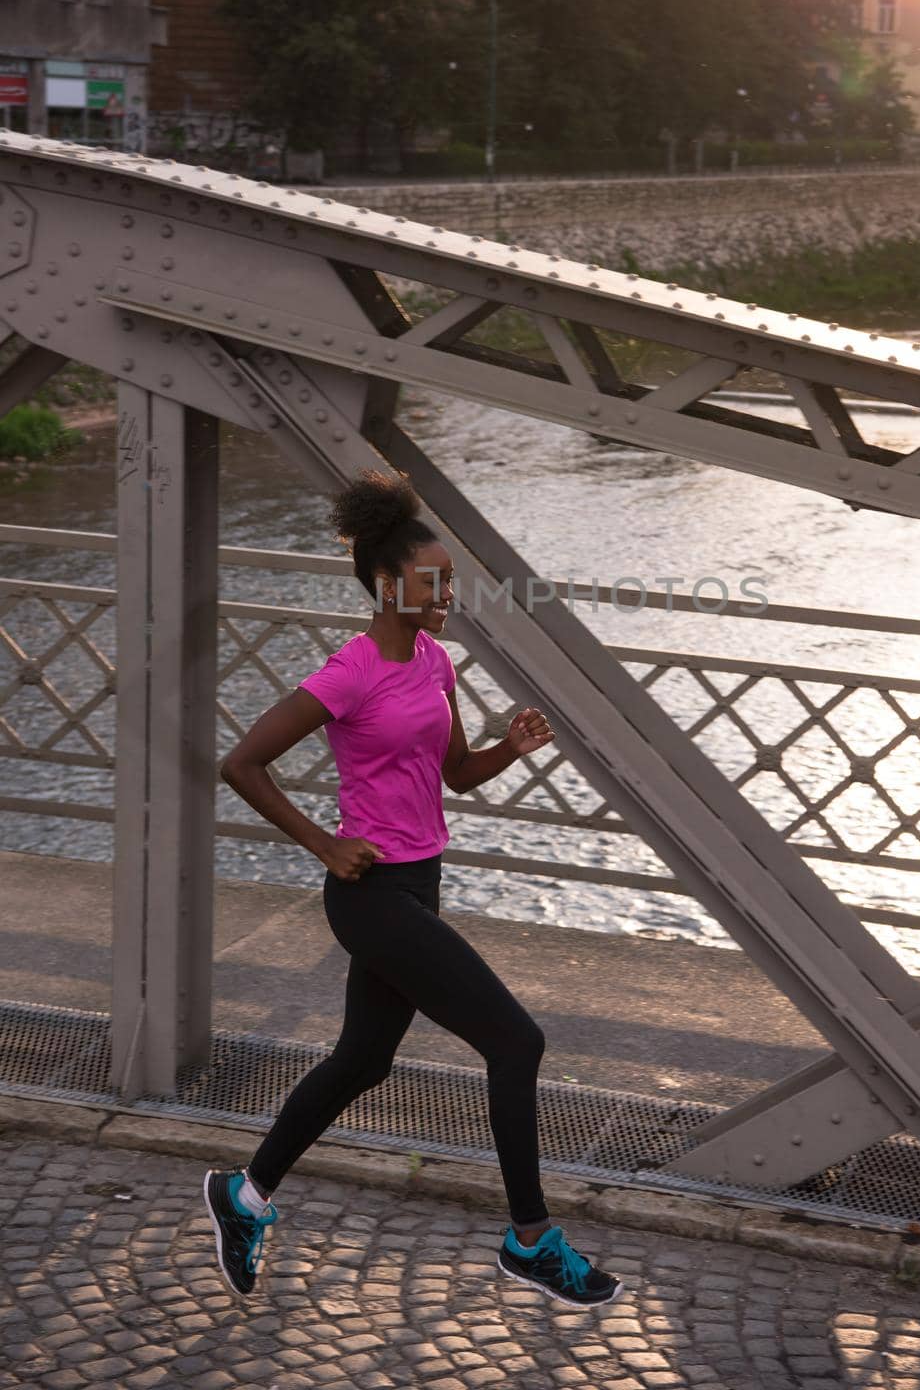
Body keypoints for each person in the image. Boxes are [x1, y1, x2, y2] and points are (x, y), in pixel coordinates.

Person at [203, 467, 623, 1310]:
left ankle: (243, 1197)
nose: (446, 598)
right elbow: (242, 764)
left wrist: (511, 746)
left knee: (364, 1059)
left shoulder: (435, 660)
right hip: (370, 895)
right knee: (516, 1043)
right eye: (434, 585)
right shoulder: (348, 673)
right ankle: (531, 1241)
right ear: (389, 584)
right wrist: (324, 843)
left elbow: (458, 773)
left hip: (420, 884)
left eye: (450, 584)